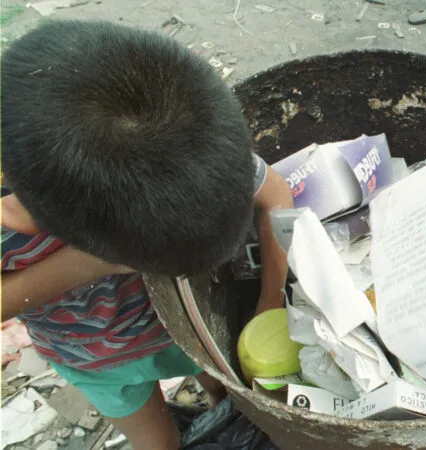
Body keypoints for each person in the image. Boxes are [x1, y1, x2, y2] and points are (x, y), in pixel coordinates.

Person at [1, 20, 292, 449]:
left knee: (221, 388)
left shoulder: (180, 139)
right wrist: (84, 266)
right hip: (92, 358)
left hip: (179, 326)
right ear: (25, 220)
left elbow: (275, 194)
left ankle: (217, 404)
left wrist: (269, 300)